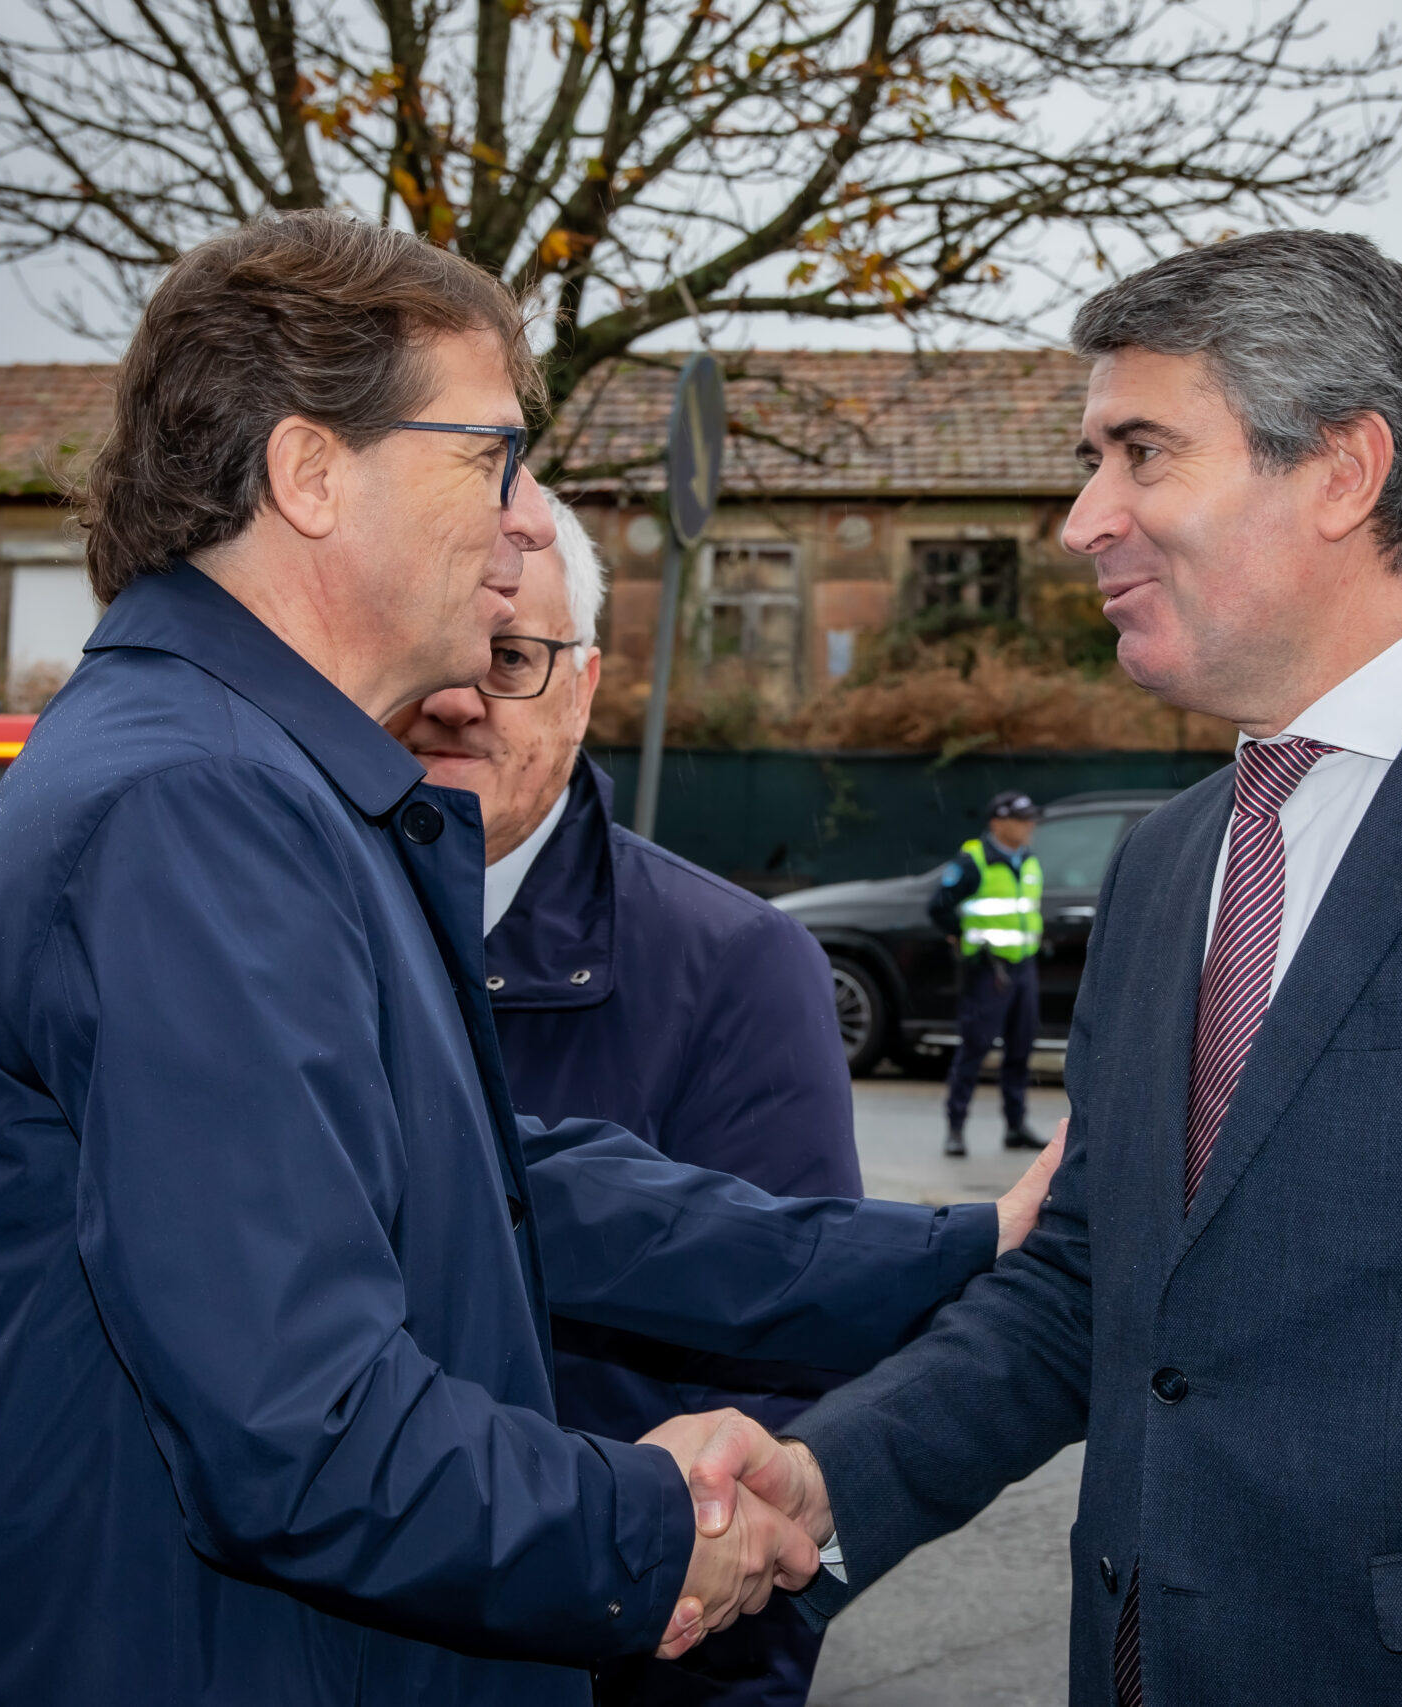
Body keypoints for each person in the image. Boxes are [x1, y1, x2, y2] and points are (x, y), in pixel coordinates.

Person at [675, 230, 1402, 1705]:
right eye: (1089, 460)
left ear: (1342, 470)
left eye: (1140, 453)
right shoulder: (1167, 862)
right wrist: (824, 1477)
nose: (1083, 519)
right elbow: (1088, 1285)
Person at [0, 212, 1057, 1707]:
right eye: (490, 456)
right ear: (310, 473)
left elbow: (498, 1184)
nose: (523, 525)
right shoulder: (200, 803)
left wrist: (961, 1249)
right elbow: (303, 1428)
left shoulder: (267, 780)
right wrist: (654, 1528)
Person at [392, 496, 982, 1707]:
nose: (456, 698)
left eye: (508, 658)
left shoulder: (734, 965)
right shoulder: (278, 929)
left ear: (583, 686)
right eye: (425, 650)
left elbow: (777, 1423)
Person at [928, 791, 1050, 1156]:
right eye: (1021, 820)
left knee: (1020, 1049)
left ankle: (1015, 1126)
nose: (1029, 827)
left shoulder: (1028, 859)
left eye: (1031, 819)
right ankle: (955, 1127)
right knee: (975, 1048)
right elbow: (939, 907)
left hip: (1023, 967)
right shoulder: (974, 860)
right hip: (988, 969)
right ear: (997, 823)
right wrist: (964, 938)